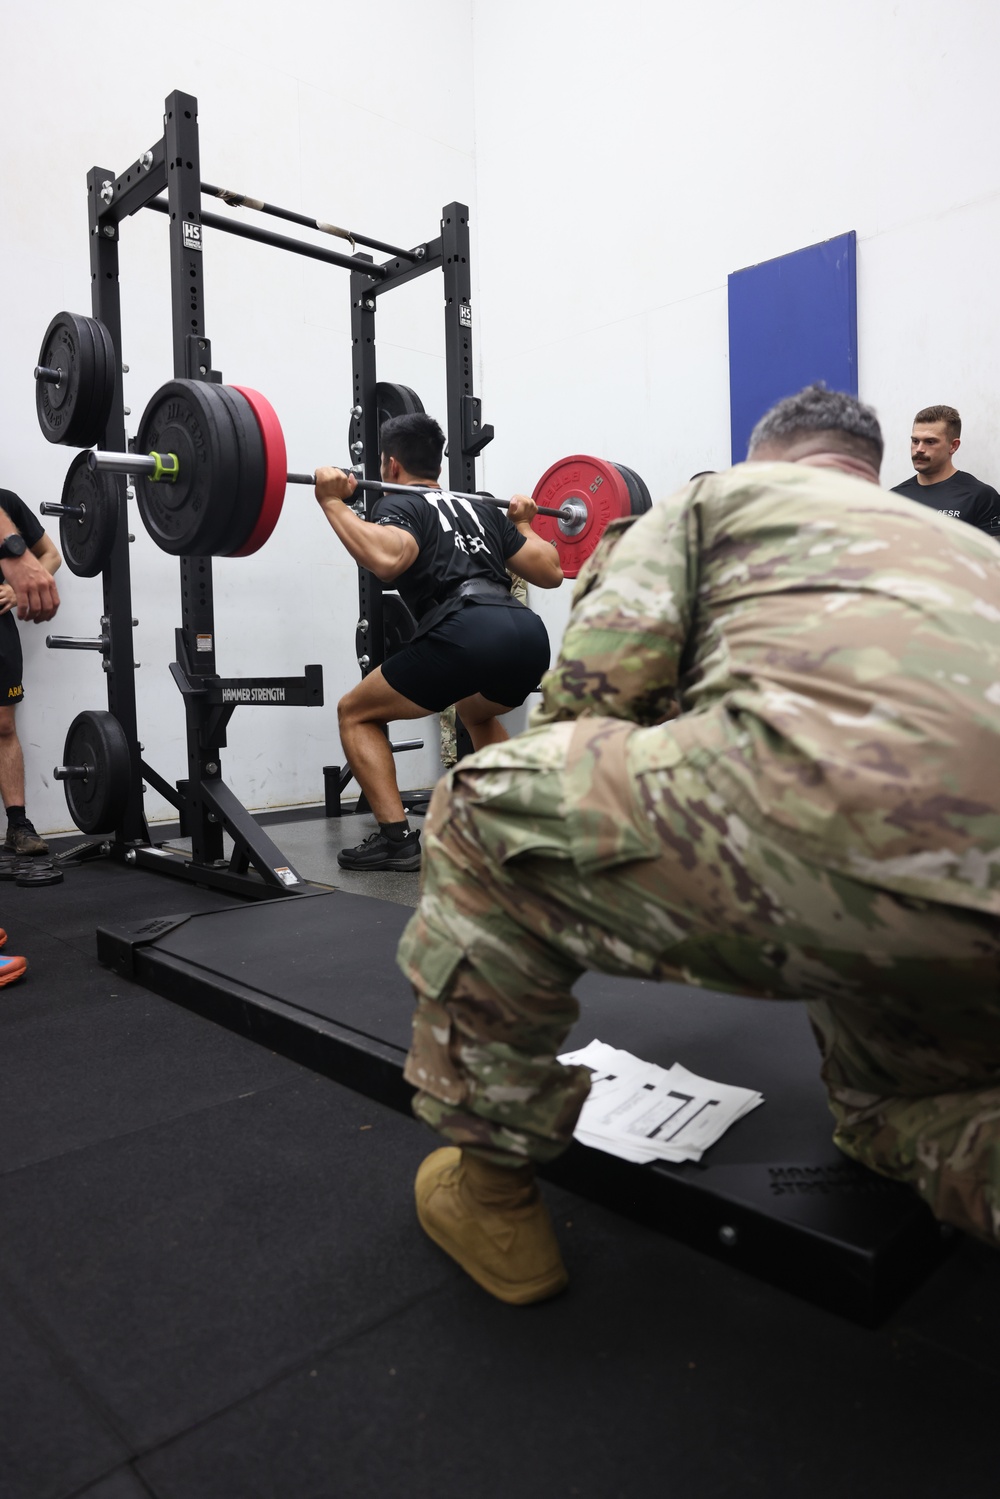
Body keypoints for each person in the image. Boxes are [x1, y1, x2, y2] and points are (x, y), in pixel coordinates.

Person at [395, 383, 1000, 1306]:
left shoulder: (714, 501)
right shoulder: (971, 549)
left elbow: (583, 718)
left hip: (821, 843)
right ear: (865, 470)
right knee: (902, 1107)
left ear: (768, 456)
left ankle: (490, 1193)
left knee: (485, 812)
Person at [314, 413, 563, 871]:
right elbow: (550, 572)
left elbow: (390, 559)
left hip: (466, 631)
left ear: (391, 466)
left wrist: (332, 502)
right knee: (475, 711)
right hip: (528, 636)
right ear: (440, 465)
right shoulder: (480, 508)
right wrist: (526, 524)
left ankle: (396, 841)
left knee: (355, 711)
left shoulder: (401, 502)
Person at [0, 490, 62, 856]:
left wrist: (12, 587)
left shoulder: (6, 503)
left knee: (4, 726)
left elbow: (50, 556)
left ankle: (18, 825)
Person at [891, 403, 999, 535]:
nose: (919, 449)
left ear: (953, 446)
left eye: (930, 442)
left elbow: (992, 554)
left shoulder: (981, 497)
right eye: (915, 441)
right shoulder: (894, 497)